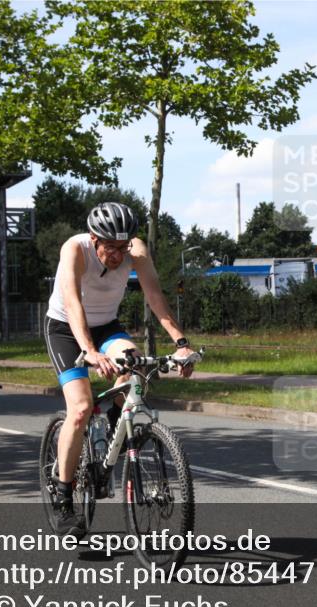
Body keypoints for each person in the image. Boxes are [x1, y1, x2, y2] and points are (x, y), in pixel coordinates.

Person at [43, 202, 197, 537]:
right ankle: (64, 498)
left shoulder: (135, 250)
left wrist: (181, 343)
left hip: (107, 327)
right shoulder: (75, 248)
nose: (117, 255)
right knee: (81, 408)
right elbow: (72, 302)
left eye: (122, 247)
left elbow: (155, 297)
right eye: (110, 247)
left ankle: (115, 428)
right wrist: (89, 352)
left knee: (135, 365)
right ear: (94, 239)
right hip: (65, 329)